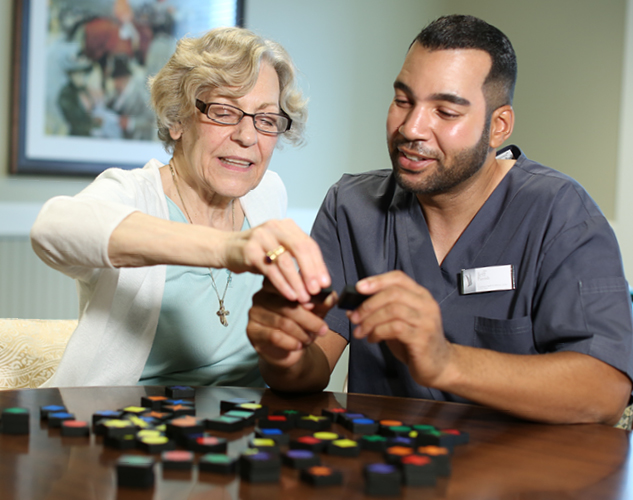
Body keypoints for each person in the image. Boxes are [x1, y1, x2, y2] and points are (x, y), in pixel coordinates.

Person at [246, 15, 633, 425]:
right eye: (403, 100)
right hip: (383, 470)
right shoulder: (352, 208)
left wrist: (446, 362)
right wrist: (282, 353)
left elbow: (603, 390)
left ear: (498, 126)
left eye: (446, 112)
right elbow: (311, 366)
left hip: (513, 476)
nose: (412, 127)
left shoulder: (561, 214)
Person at [31, 27, 330, 388]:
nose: (247, 137)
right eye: (223, 111)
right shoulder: (134, 192)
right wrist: (225, 248)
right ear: (177, 119)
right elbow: (52, 229)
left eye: (265, 120)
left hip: (249, 428)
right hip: (133, 425)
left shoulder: (267, 192)